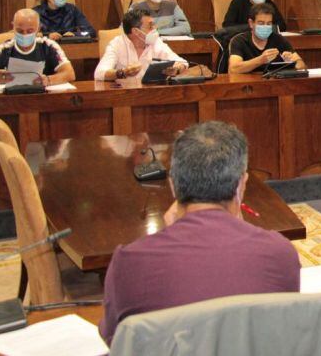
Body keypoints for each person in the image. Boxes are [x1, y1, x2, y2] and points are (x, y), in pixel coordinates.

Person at [98, 121, 300, 343]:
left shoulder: (129, 262)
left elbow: (115, 339)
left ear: (173, 185)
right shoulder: (281, 253)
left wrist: (168, 233)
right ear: (241, 185)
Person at [0, 9, 75, 88]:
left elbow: (69, 73)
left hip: (43, 98)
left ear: (38, 29)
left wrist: (48, 80)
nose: (24, 35)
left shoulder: (48, 46)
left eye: (30, 31)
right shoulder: (4, 49)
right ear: (13, 27)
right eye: (20, 31)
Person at [95, 8, 189, 82]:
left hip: (151, 94)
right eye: (150, 26)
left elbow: (183, 63)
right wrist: (123, 73)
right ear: (136, 31)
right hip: (124, 96)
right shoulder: (117, 44)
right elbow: (99, 73)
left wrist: (176, 69)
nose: (154, 29)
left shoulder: (156, 42)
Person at [227, 4, 305, 74]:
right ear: (251, 23)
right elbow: (233, 69)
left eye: (269, 23)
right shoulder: (239, 41)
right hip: (247, 86)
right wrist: (261, 60)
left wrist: (291, 62)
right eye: (261, 23)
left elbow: (302, 65)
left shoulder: (279, 40)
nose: (265, 27)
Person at [31, 0, 96, 40]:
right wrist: (47, 36)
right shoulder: (35, 13)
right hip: (46, 48)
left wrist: (75, 34)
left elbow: (91, 32)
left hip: (70, 48)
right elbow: (28, 36)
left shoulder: (72, 10)